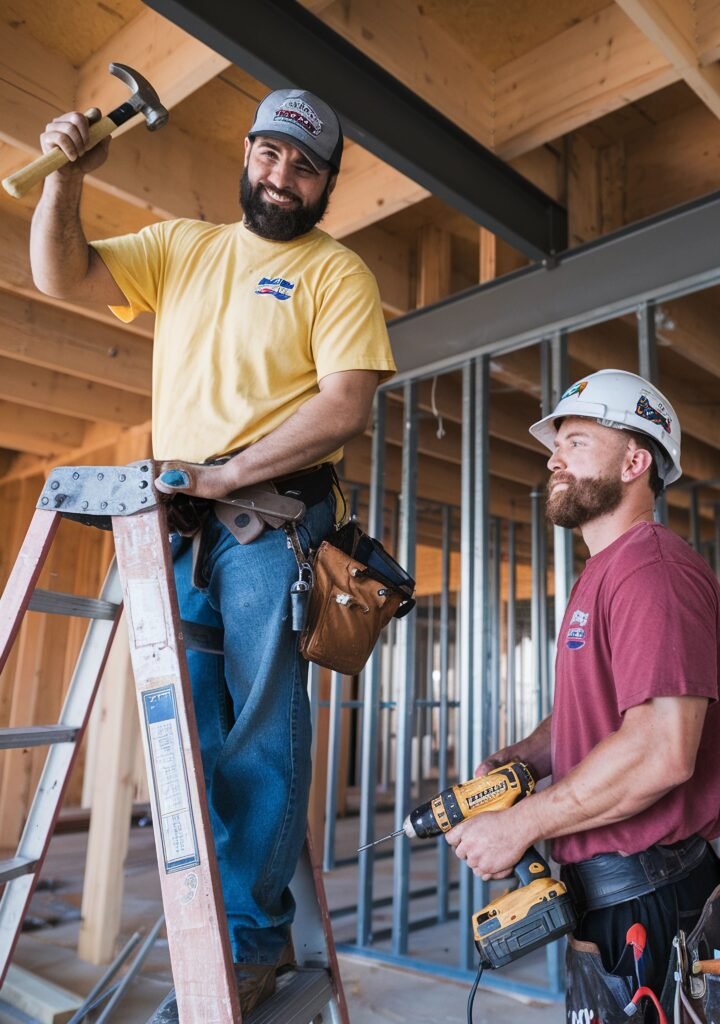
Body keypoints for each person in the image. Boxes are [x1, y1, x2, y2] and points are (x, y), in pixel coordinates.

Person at [30, 89, 395, 1013]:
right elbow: (58, 276)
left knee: (259, 731)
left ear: (325, 187)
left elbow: (345, 404)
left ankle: (253, 936)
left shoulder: (334, 272)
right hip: (180, 529)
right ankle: (216, 912)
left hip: (268, 523)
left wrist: (227, 474)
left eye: (304, 168)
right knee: (188, 737)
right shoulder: (185, 248)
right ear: (248, 152)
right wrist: (65, 182)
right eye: (271, 156)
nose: (282, 178)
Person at [445, 369, 720, 1020]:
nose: (554, 456)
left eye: (576, 441)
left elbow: (661, 750)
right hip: (611, 893)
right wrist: (525, 757)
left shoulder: (651, 571)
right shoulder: (603, 572)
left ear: (636, 461)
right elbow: (604, 706)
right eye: (556, 443)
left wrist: (520, 823)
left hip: (650, 894)